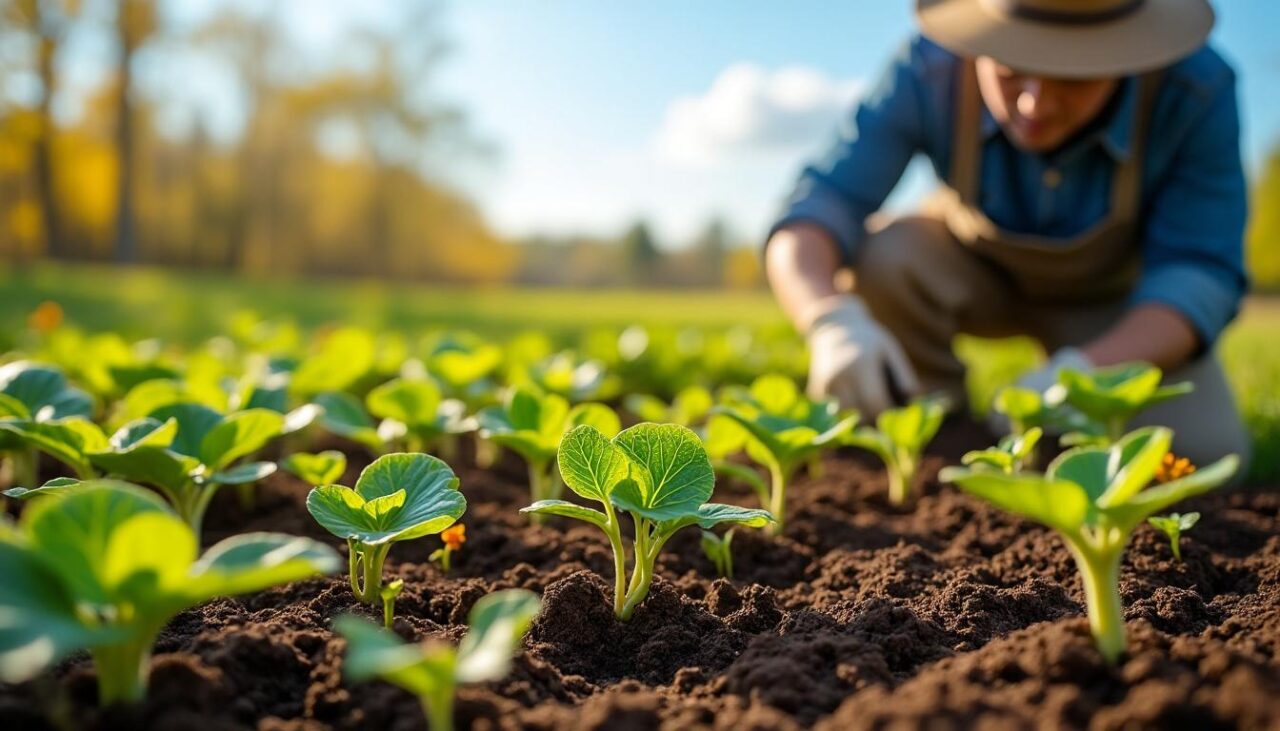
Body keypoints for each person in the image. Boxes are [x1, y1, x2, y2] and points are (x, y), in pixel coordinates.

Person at [765, 0, 1250, 468]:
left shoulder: (1195, 88)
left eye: (1072, 78)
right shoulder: (930, 66)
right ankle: (934, 432)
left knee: (1201, 450)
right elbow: (820, 205)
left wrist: (1085, 374)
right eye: (1010, 69)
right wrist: (829, 320)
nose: (1033, 103)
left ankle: (1053, 446)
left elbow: (1199, 271)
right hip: (969, 270)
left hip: (1113, 307)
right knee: (886, 255)